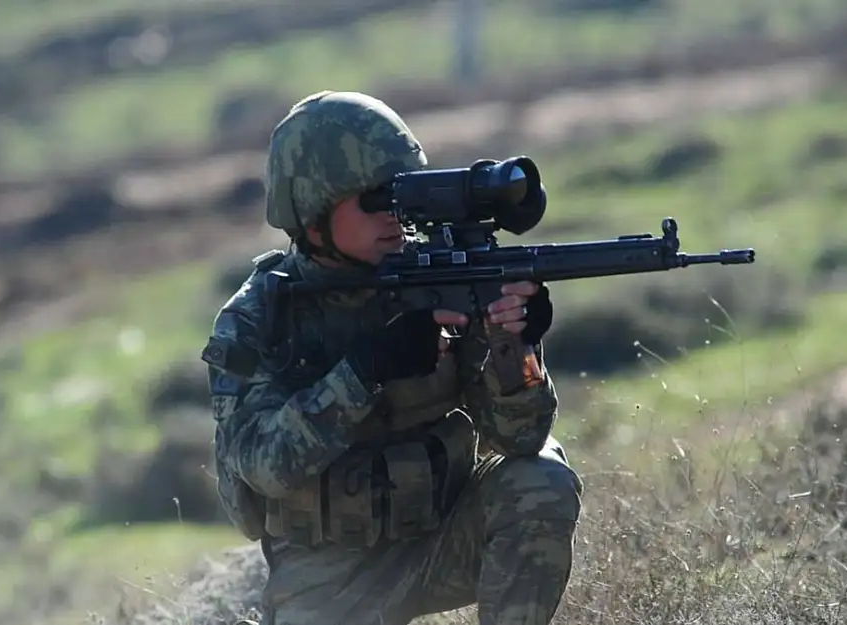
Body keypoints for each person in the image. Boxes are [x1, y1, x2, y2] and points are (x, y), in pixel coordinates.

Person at [201, 90, 583, 625]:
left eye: (400, 194)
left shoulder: (433, 280)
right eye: (373, 198)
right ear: (313, 214)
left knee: (541, 479)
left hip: (441, 537)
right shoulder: (259, 318)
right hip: (327, 580)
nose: (394, 214)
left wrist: (512, 346)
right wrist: (367, 370)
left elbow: (518, 438)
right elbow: (266, 467)